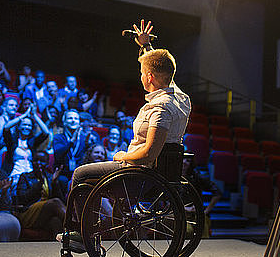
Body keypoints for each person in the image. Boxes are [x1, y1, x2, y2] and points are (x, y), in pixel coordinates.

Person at [68, 20, 191, 214]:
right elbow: (165, 71)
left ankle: (82, 236)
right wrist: (146, 46)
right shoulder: (182, 99)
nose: (141, 77)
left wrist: (122, 155)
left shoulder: (161, 108)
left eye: (143, 73)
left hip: (138, 177)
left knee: (80, 174)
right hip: (157, 174)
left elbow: (149, 154)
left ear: (149, 77)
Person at [16, 150, 66, 237]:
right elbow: (23, 199)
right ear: (32, 162)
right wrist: (39, 183)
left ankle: (59, 247)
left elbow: (61, 201)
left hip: (44, 214)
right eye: (36, 160)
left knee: (55, 221)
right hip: (28, 212)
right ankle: (78, 227)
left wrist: (55, 183)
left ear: (47, 164)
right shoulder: (25, 177)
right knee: (54, 202)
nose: (38, 163)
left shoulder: (50, 177)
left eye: (42, 161)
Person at [2, 105, 50, 184]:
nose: (26, 127)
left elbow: (46, 132)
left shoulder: (32, 142)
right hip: (15, 175)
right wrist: (24, 115)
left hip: (30, 176)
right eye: (24, 124)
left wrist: (34, 115)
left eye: (29, 125)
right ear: (19, 127)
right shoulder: (12, 141)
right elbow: (6, 127)